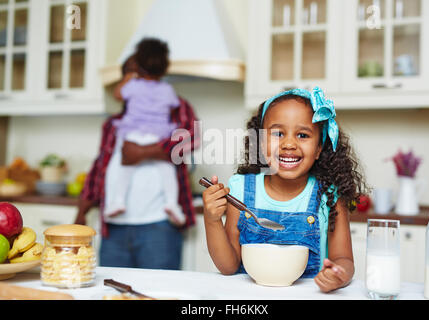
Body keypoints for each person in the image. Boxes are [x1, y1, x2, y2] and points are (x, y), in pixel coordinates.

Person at [202, 87, 369, 292]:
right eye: (278, 133)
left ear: (318, 148)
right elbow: (228, 266)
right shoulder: (240, 187)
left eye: (302, 135)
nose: (289, 144)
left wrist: (339, 274)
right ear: (261, 142)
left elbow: (344, 259)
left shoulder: (329, 195)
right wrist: (212, 220)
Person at [74, 50, 200, 270]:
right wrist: (81, 212)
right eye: (133, 75)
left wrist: (142, 152)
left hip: (159, 226)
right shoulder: (113, 124)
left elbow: (191, 138)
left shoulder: (174, 110)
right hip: (113, 228)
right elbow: (99, 168)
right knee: (111, 291)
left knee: (158, 293)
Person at [104, 38, 183, 226]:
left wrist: (128, 78)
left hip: (133, 133)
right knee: (167, 170)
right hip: (157, 135)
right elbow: (173, 106)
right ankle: (172, 203)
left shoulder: (133, 86)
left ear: (139, 65)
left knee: (126, 167)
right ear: (164, 67)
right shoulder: (167, 90)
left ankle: (118, 201)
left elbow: (117, 94)